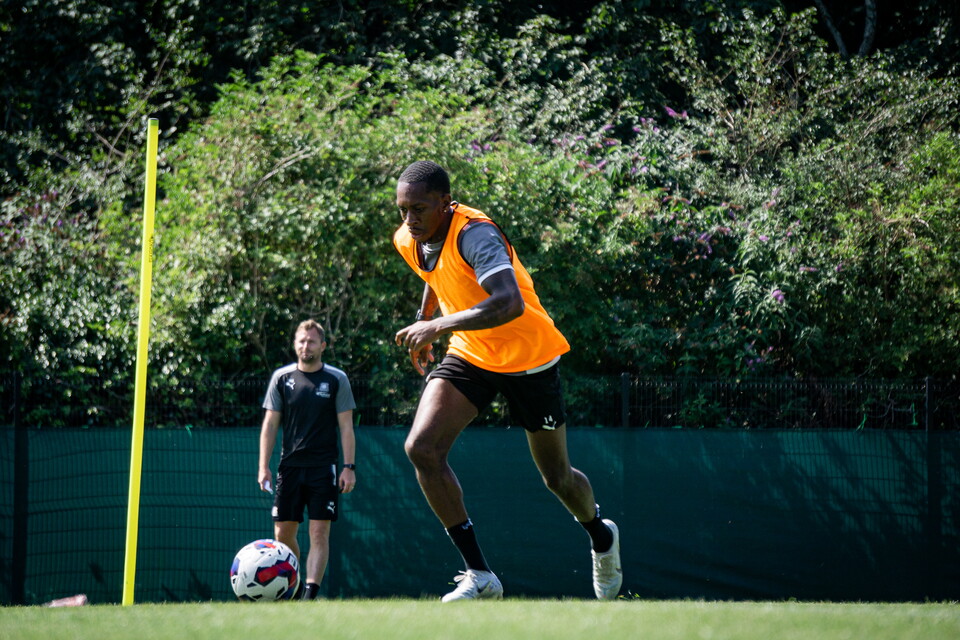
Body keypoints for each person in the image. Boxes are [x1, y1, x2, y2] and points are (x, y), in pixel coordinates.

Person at [392, 160, 622, 601]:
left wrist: (437, 328)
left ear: (446, 202)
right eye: (403, 209)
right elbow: (434, 275)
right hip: (472, 353)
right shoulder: (411, 237)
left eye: (419, 209)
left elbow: (509, 302)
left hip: (528, 358)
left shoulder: (476, 234)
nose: (409, 219)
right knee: (421, 448)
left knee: (557, 479)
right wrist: (424, 320)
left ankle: (600, 534)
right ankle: (479, 575)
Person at [258, 319, 357, 600]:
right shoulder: (281, 378)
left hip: (323, 468)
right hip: (288, 468)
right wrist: (263, 466)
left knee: (318, 534)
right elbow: (270, 425)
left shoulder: (337, 379)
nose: (306, 346)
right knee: (282, 535)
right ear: (295, 344)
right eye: (301, 341)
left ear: (323, 346)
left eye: (311, 341)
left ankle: (310, 594)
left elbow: (347, 427)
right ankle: (297, 583)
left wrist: (349, 467)